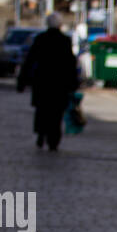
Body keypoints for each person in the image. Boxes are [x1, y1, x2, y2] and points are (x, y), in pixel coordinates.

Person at [16, 12, 78, 152]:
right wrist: (73, 83)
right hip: (59, 84)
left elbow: (30, 61)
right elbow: (70, 63)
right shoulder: (65, 41)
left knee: (42, 110)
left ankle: (41, 133)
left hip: (42, 82)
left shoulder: (41, 39)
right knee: (56, 113)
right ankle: (53, 139)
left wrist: (22, 81)